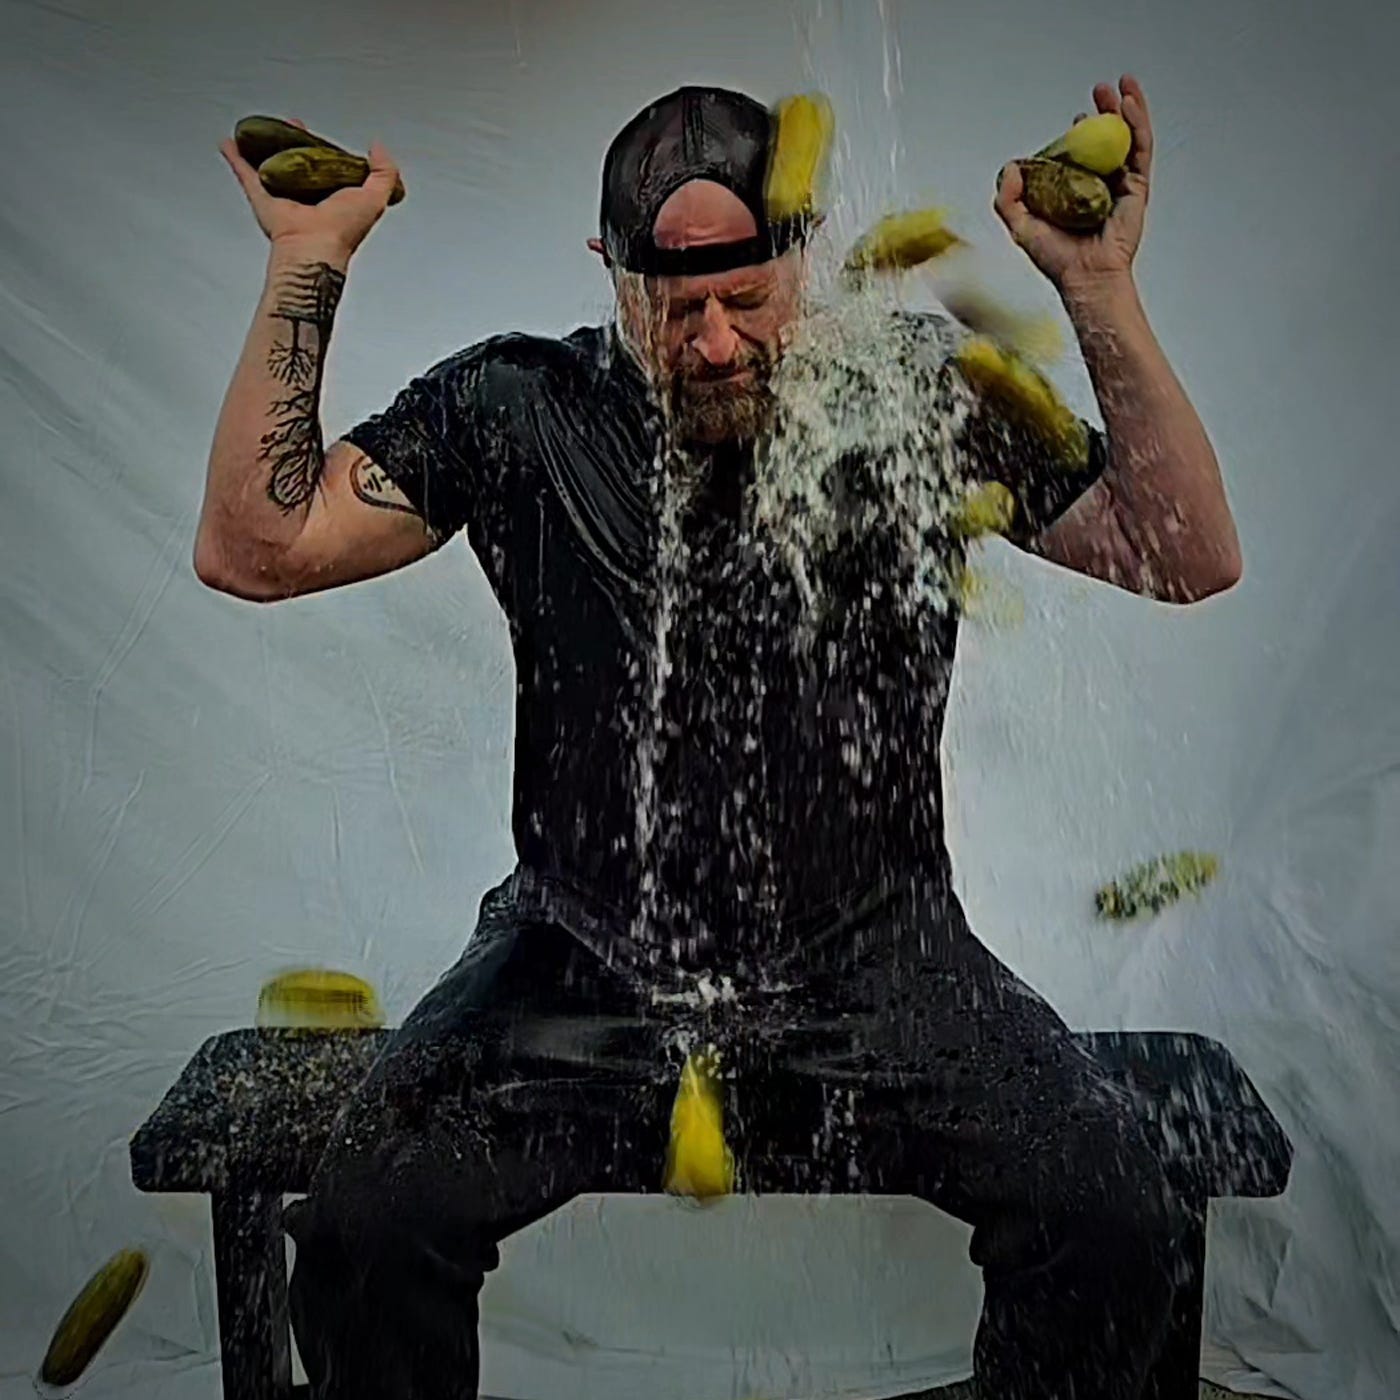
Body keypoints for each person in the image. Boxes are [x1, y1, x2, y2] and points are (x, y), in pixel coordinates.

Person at [202, 78, 1242, 1400]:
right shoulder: (518, 408)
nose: (712, 343)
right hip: (582, 964)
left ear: (804, 256)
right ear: (609, 273)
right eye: (673, 309)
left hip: (877, 961)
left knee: (1116, 1222)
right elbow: (257, 546)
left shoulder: (915, 397)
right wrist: (307, 264)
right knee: (363, 1232)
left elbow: (1183, 552)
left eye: (748, 300)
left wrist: (1096, 290)